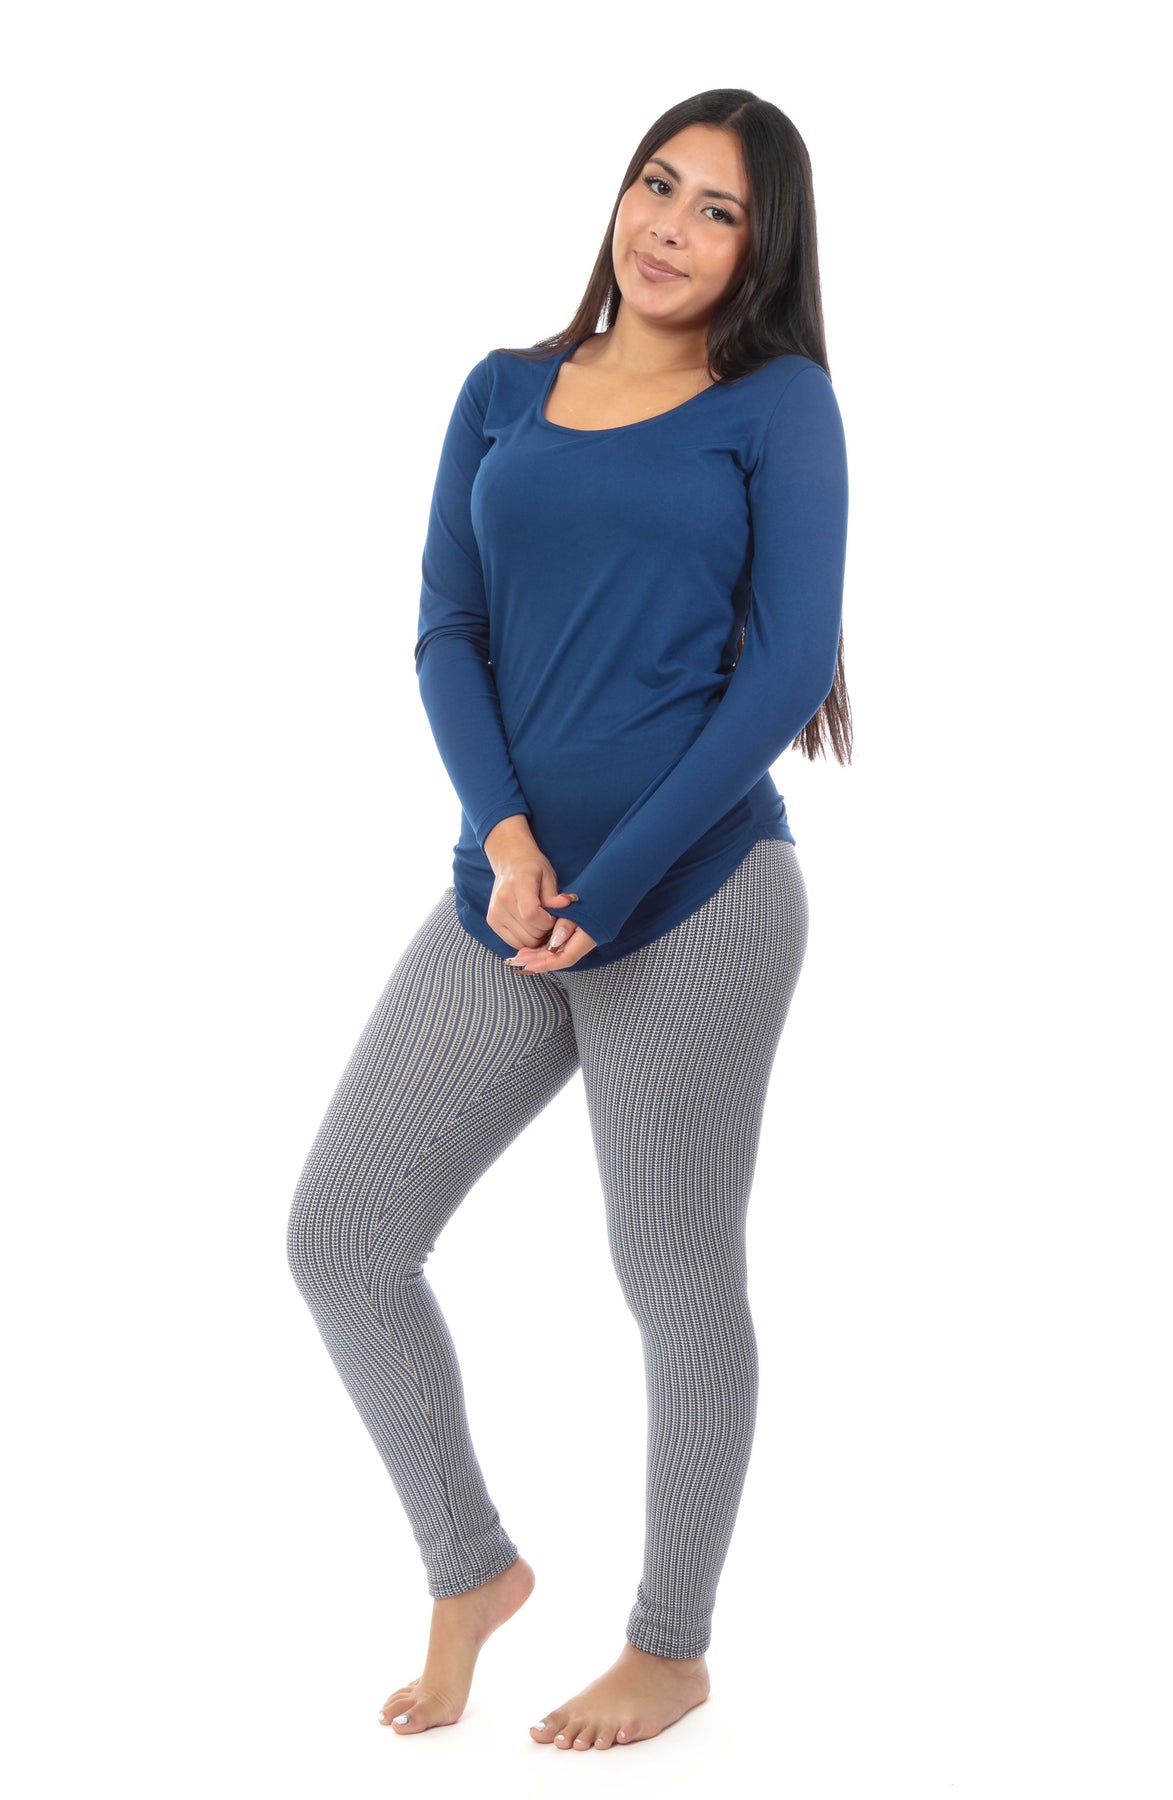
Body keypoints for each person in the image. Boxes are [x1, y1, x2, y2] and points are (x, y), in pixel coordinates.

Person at [287, 85, 851, 1752]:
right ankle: (472, 1571)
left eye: (718, 210)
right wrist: (513, 843)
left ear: (761, 250)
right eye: (655, 185)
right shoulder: (500, 390)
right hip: (509, 899)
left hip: (699, 904)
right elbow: (445, 629)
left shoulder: (779, 406)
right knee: (341, 1237)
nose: (669, 226)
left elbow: (787, 672)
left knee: (671, 1274)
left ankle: (670, 1647)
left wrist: (612, 885)